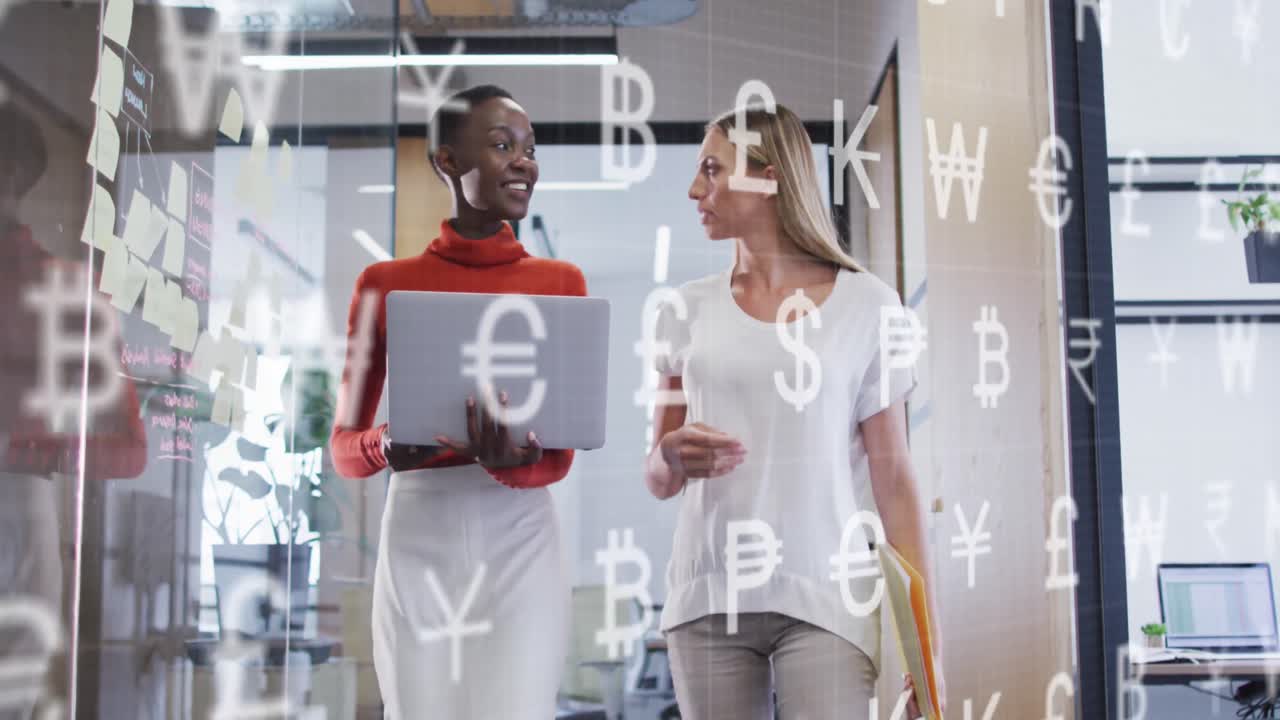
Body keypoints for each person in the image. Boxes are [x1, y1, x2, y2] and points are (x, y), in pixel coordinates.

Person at [644, 103, 947, 718]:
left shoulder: (870, 306)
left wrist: (928, 647)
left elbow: (895, 483)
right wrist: (671, 453)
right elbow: (658, 477)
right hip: (707, 598)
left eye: (712, 169)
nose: (694, 189)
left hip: (827, 598)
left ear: (769, 176)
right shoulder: (684, 309)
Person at [329, 85, 587, 719]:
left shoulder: (561, 284)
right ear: (446, 161)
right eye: (503, 146)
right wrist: (385, 445)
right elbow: (343, 449)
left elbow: (559, 460)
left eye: (531, 150)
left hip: (521, 533)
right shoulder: (383, 285)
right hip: (420, 529)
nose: (525, 163)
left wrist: (509, 460)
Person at [0, 101, 147, 720]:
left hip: (17, 505)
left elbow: (129, 448)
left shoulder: (64, 290)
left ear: (10, 174)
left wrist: (31, 446)